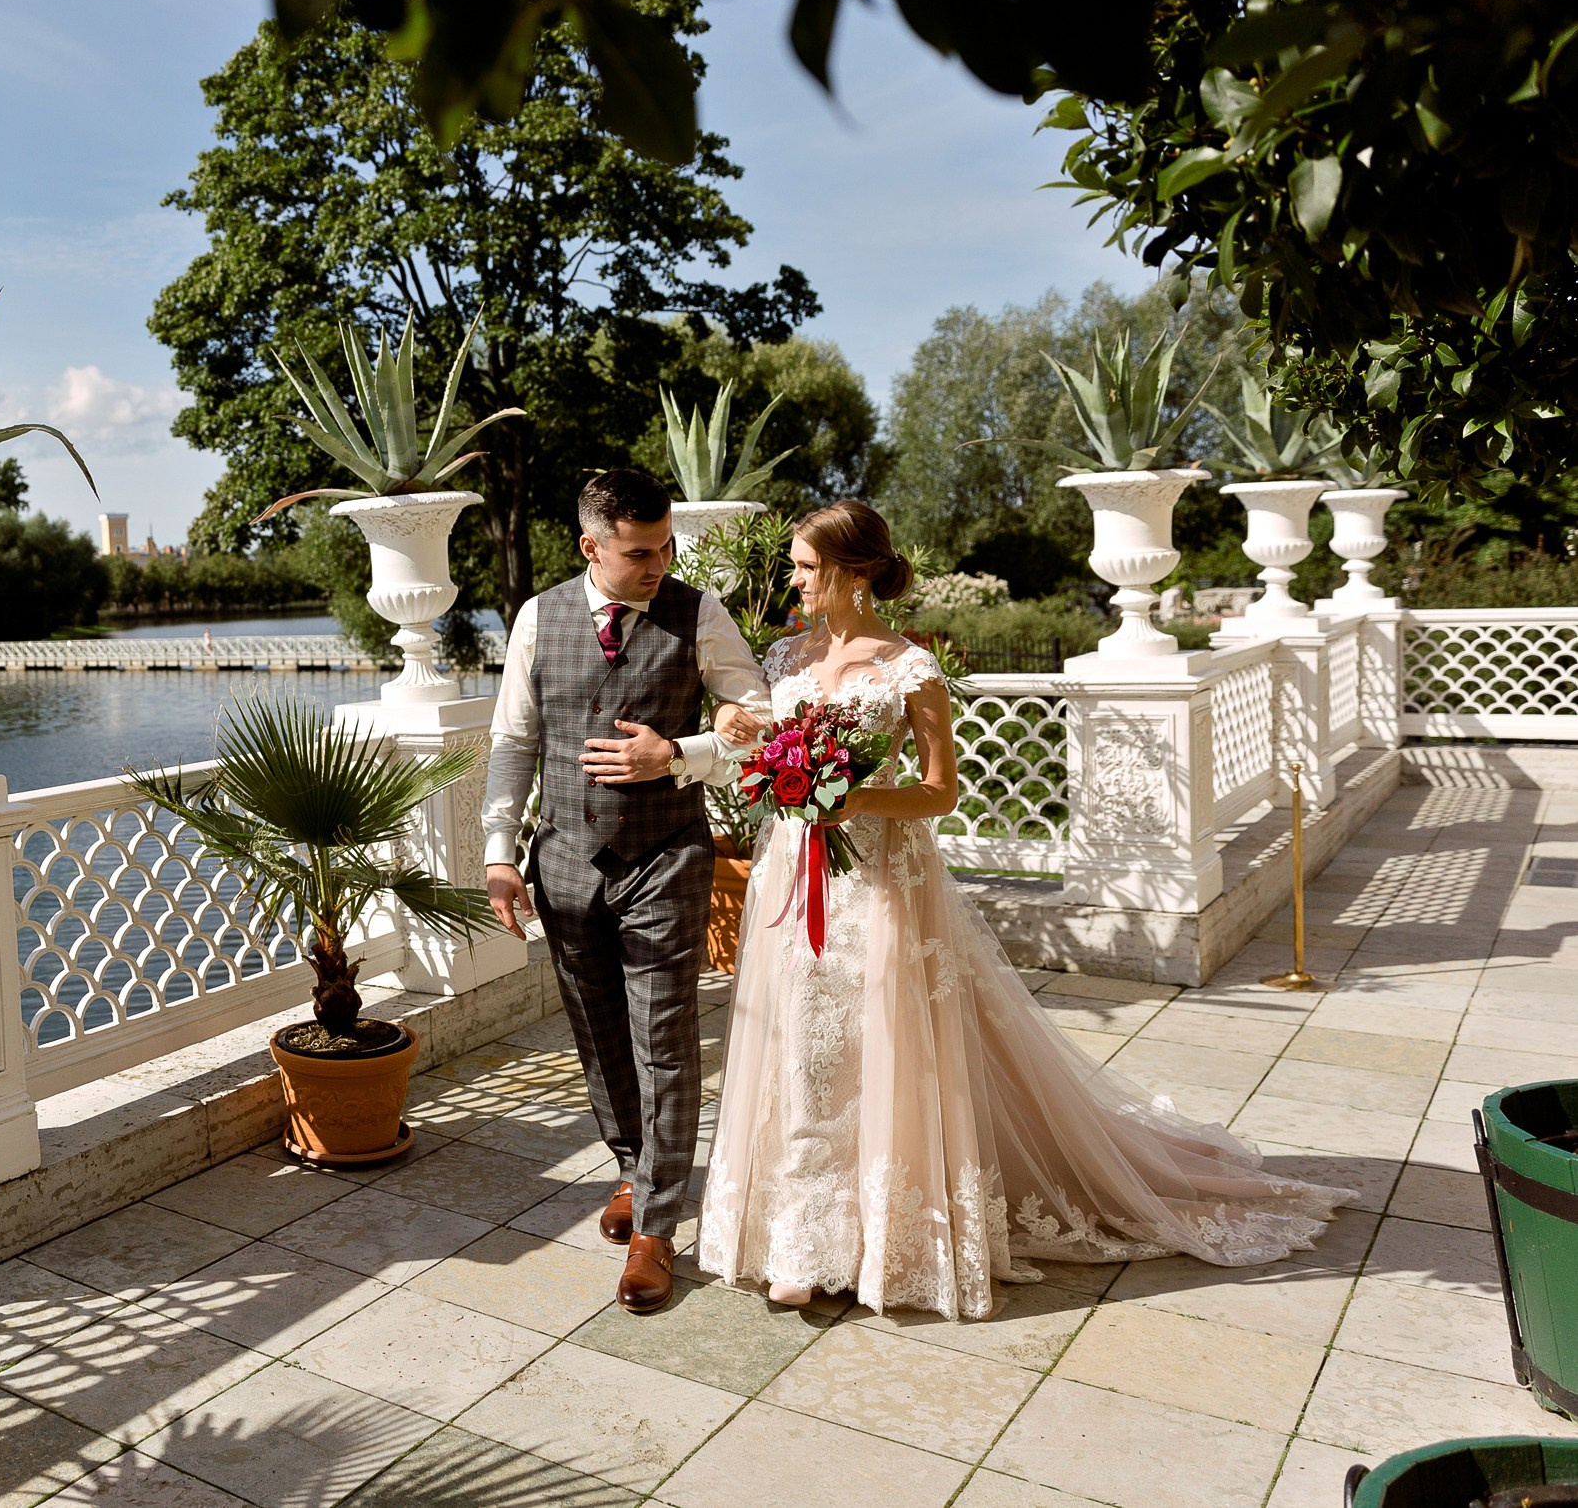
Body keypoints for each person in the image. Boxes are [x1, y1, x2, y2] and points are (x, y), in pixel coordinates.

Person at [696, 500, 1350, 1320]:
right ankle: (801, 1237)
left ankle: (877, 1239)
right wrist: (743, 732)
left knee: (882, 1050)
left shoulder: (911, 669)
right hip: (793, 875)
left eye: (803, 566)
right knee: (801, 1050)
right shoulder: (786, 653)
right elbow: (751, 739)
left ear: (854, 570)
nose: (792, 580)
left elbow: (940, 790)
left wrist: (852, 794)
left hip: (881, 881)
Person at [483, 469, 769, 1314]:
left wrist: (676, 754)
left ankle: (656, 1228)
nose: (659, 564)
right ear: (590, 547)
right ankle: (632, 1164)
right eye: (640, 552)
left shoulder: (698, 611)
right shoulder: (539, 617)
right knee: (600, 1032)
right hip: (564, 862)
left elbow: (756, 724)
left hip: (665, 857)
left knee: (664, 1037)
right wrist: (502, 852)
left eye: (666, 546)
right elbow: (513, 739)